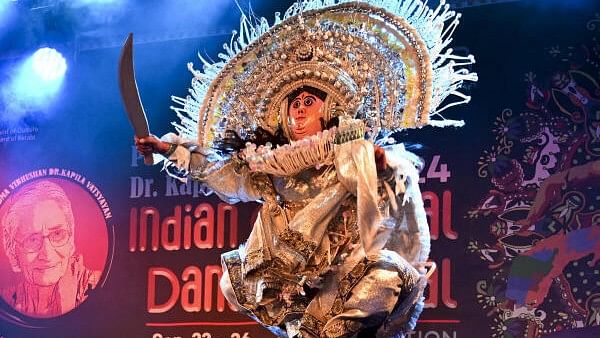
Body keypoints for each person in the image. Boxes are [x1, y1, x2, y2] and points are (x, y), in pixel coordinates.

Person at [131, 1, 476, 336]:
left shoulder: (351, 149)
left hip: (347, 273)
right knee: (233, 283)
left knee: (384, 277)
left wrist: (382, 166)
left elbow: (393, 183)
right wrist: (168, 149)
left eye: (308, 103)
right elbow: (226, 174)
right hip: (297, 286)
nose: (299, 111)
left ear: (327, 108)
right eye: (294, 104)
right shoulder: (270, 162)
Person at [1, 180, 100, 318]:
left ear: (71, 239)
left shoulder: (97, 288)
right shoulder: (7, 302)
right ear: (13, 252)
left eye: (57, 234)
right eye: (33, 239)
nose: (47, 254)